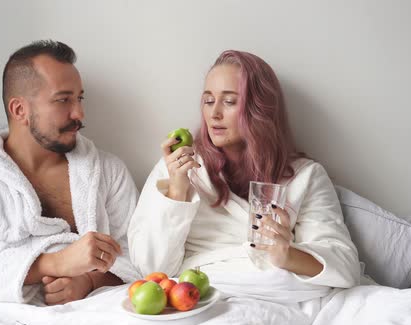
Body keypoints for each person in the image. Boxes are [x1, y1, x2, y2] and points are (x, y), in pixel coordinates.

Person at [0, 40, 140, 305]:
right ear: (19, 110)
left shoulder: (108, 171)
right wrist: (53, 263)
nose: (79, 113)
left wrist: (88, 281)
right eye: (63, 100)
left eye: (79, 98)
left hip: (91, 312)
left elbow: (137, 253)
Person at [128, 50, 360, 290]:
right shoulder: (179, 166)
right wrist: (177, 191)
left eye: (229, 101)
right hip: (204, 292)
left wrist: (287, 256)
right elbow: (151, 269)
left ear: (260, 109)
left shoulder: (306, 176)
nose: (214, 113)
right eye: (208, 101)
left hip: (275, 291)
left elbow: (345, 267)